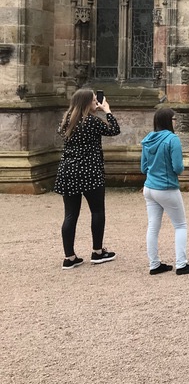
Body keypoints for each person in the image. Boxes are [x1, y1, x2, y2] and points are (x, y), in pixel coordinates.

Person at [54, 88, 120, 269]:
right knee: (97, 211)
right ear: (86, 103)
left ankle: (69, 257)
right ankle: (97, 252)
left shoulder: (66, 121)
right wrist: (107, 110)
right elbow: (114, 130)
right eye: (93, 100)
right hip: (90, 170)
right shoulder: (92, 121)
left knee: (70, 214)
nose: (96, 102)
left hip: (68, 171)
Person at [140, 108, 189, 275]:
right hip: (166, 188)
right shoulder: (173, 139)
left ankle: (154, 264)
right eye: (174, 119)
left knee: (153, 226)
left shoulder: (147, 139)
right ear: (168, 121)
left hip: (149, 188)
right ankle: (181, 264)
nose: (176, 122)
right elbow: (178, 167)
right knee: (180, 225)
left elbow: (143, 167)